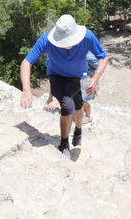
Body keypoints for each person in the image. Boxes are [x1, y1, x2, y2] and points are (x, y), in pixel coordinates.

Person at [20, 14, 109, 155]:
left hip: (79, 76)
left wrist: (95, 78)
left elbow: (103, 57)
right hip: (58, 76)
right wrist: (26, 89)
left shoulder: (87, 36)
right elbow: (27, 62)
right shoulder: (46, 39)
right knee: (68, 107)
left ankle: (78, 130)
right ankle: (63, 143)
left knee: (79, 106)